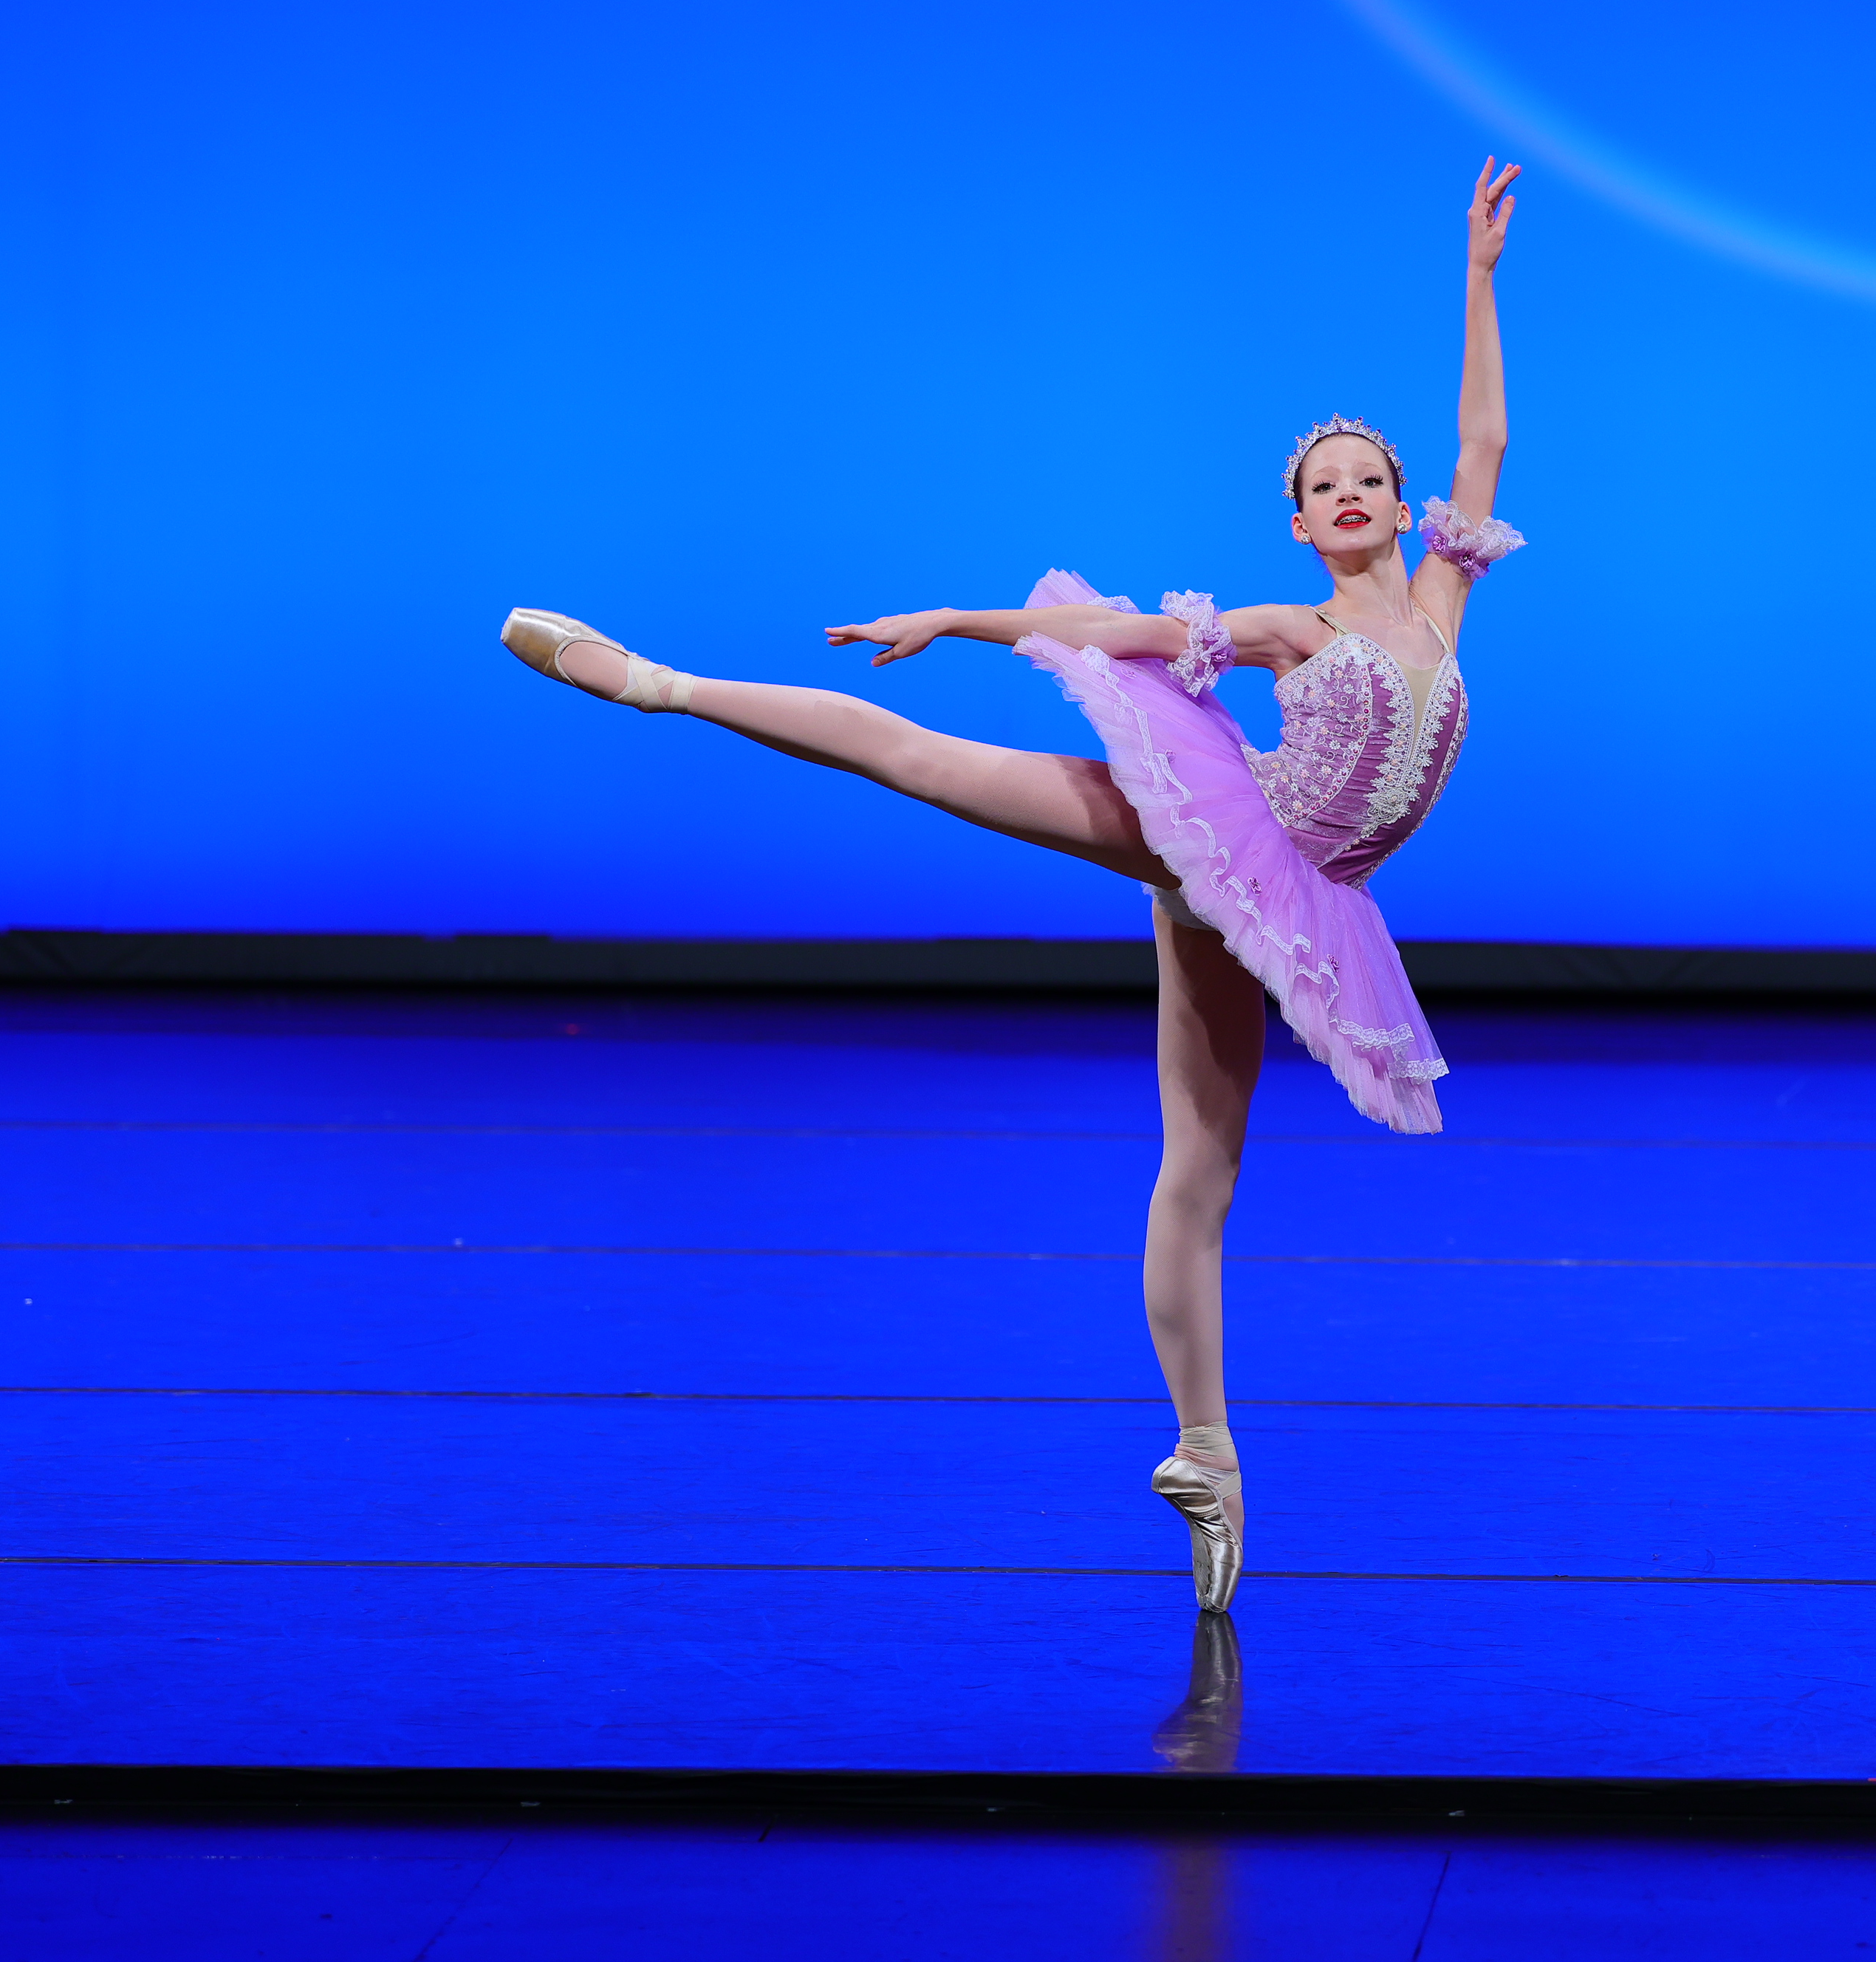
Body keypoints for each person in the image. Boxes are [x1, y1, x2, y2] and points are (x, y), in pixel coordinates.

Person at [496, 160, 1525, 1614]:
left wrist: (1477, 277)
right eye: (1323, 486)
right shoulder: (1293, 626)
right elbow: (1123, 633)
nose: (1350, 492)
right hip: (1223, 839)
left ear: (1406, 509)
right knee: (929, 761)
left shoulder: (1445, 597)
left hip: (1290, 910)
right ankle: (658, 681)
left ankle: (1207, 1456)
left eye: (1369, 478)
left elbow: (1486, 435)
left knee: (1202, 1176)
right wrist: (963, 617)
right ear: (1300, 525)